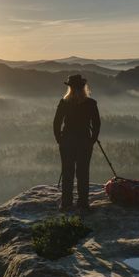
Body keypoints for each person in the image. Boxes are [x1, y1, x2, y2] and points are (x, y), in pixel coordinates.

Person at [53, 75, 101, 212]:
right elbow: (97, 124)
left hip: (67, 141)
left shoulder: (64, 102)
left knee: (67, 171)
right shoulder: (91, 103)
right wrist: (92, 139)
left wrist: (59, 139)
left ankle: (66, 202)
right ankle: (83, 202)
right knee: (83, 172)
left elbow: (57, 122)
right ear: (83, 87)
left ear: (70, 88)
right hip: (84, 142)